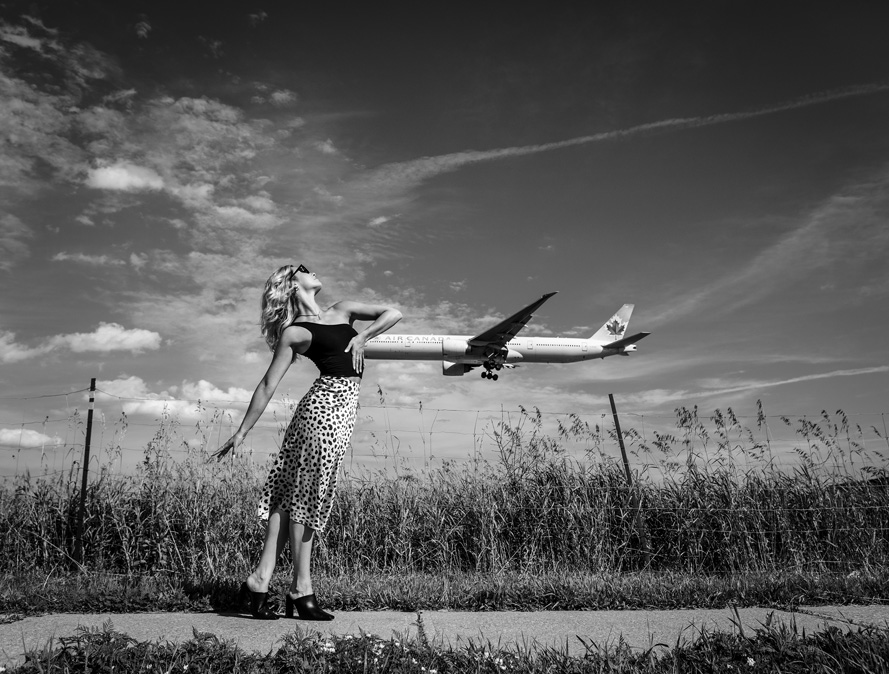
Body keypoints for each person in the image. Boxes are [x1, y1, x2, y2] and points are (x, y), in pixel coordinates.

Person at [212, 263, 402, 620]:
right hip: (321, 413)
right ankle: (302, 590)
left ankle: (259, 581)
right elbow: (268, 384)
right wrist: (242, 432)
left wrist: (363, 337)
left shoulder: (343, 310)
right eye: (303, 268)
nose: (313, 270)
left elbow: (394, 313)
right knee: (307, 499)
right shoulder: (295, 332)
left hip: (341, 414)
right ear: (290, 283)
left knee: (292, 499)